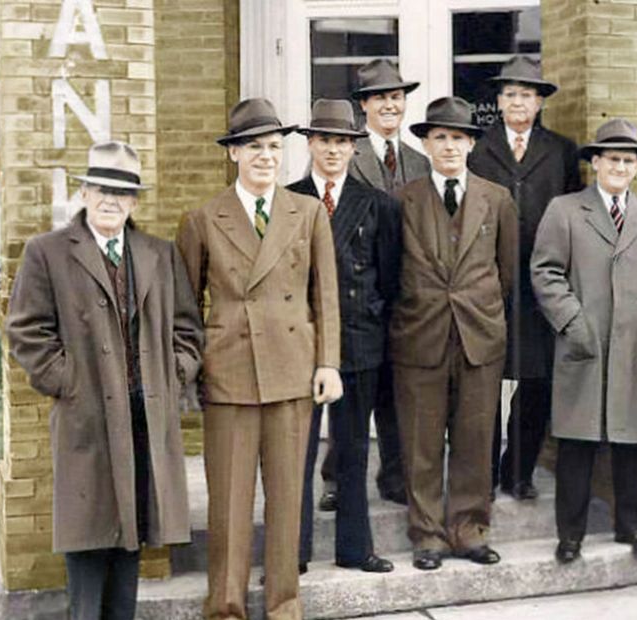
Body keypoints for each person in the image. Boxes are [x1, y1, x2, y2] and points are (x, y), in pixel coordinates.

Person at [6, 141, 203, 620]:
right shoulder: (48, 252)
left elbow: (188, 329)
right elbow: (26, 331)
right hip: (87, 418)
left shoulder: (157, 253)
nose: (111, 200)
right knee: (88, 535)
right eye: (101, 189)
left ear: (135, 201)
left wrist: (174, 373)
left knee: (132, 535)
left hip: (143, 419)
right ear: (84, 193)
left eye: (122, 192)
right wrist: (68, 381)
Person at [176, 98, 342, 620]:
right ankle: (225, 606)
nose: (266, 156)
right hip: (229, 373)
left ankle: (284, 604)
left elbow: (326, 295)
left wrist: (328, 363)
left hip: (294, 369)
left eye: (274, 147)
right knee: (229, 501)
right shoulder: (202, 219)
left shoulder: (309, 212)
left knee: (288, 497)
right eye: (254, 147)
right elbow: (185, 307)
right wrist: (194, 369)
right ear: (234, 155)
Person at [532, 118, 637, 564]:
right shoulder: (565, 210)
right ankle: (571, 534)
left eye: (628, 160)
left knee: (630, 443)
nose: (620, 166)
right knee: (577, 443)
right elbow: (545, 271)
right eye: (612, 158)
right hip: (584, 343)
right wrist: (572, 322)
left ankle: (632, 525)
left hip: (635, 346)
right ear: (595, 162)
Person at [390, 96, 518, 571]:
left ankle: (470, 529)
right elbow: (392, 270)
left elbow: (505, 274)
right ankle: (427, 535)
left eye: (458, 138)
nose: (449, 146)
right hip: (419, 336)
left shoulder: (497, 198)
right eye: (439, 137)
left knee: (475, 438)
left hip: (478, 337)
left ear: (471, 144)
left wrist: (477, 311)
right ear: (425, 143)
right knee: (421, 442)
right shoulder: (403, 198)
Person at [287, 99, 401, 575]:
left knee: (352, 449)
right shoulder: (286, 200)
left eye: (342, 142)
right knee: (297, 451)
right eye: (324, 140)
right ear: (310, 143)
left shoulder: (377, 203)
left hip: (359, 342)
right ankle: (291, 552)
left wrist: (372, 324)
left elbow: (390, 279)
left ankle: (355, 548)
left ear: (354, 148)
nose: (333, 150)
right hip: (299, 344)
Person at [468, 55, 582, 500]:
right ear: (498, 101)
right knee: (487, 378)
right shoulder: (479, 148)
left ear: (539, 103)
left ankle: (519, 469)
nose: (519, 103)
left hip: (542, 285)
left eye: (527, 95)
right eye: (511, 94)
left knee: (537, 382)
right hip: (490, 280)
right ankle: (484, 472)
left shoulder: (561, 150)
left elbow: (573, 213)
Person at [348, 58, 431, 506]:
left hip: (409, 295)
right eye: (380, 97)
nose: (389, 105)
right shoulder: (350, 153)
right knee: (358, 393)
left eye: (396, 97)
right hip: (360, 293)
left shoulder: (420, 161)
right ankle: (337, 479)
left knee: (400, 392)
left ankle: (395, 477)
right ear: (364, 105)